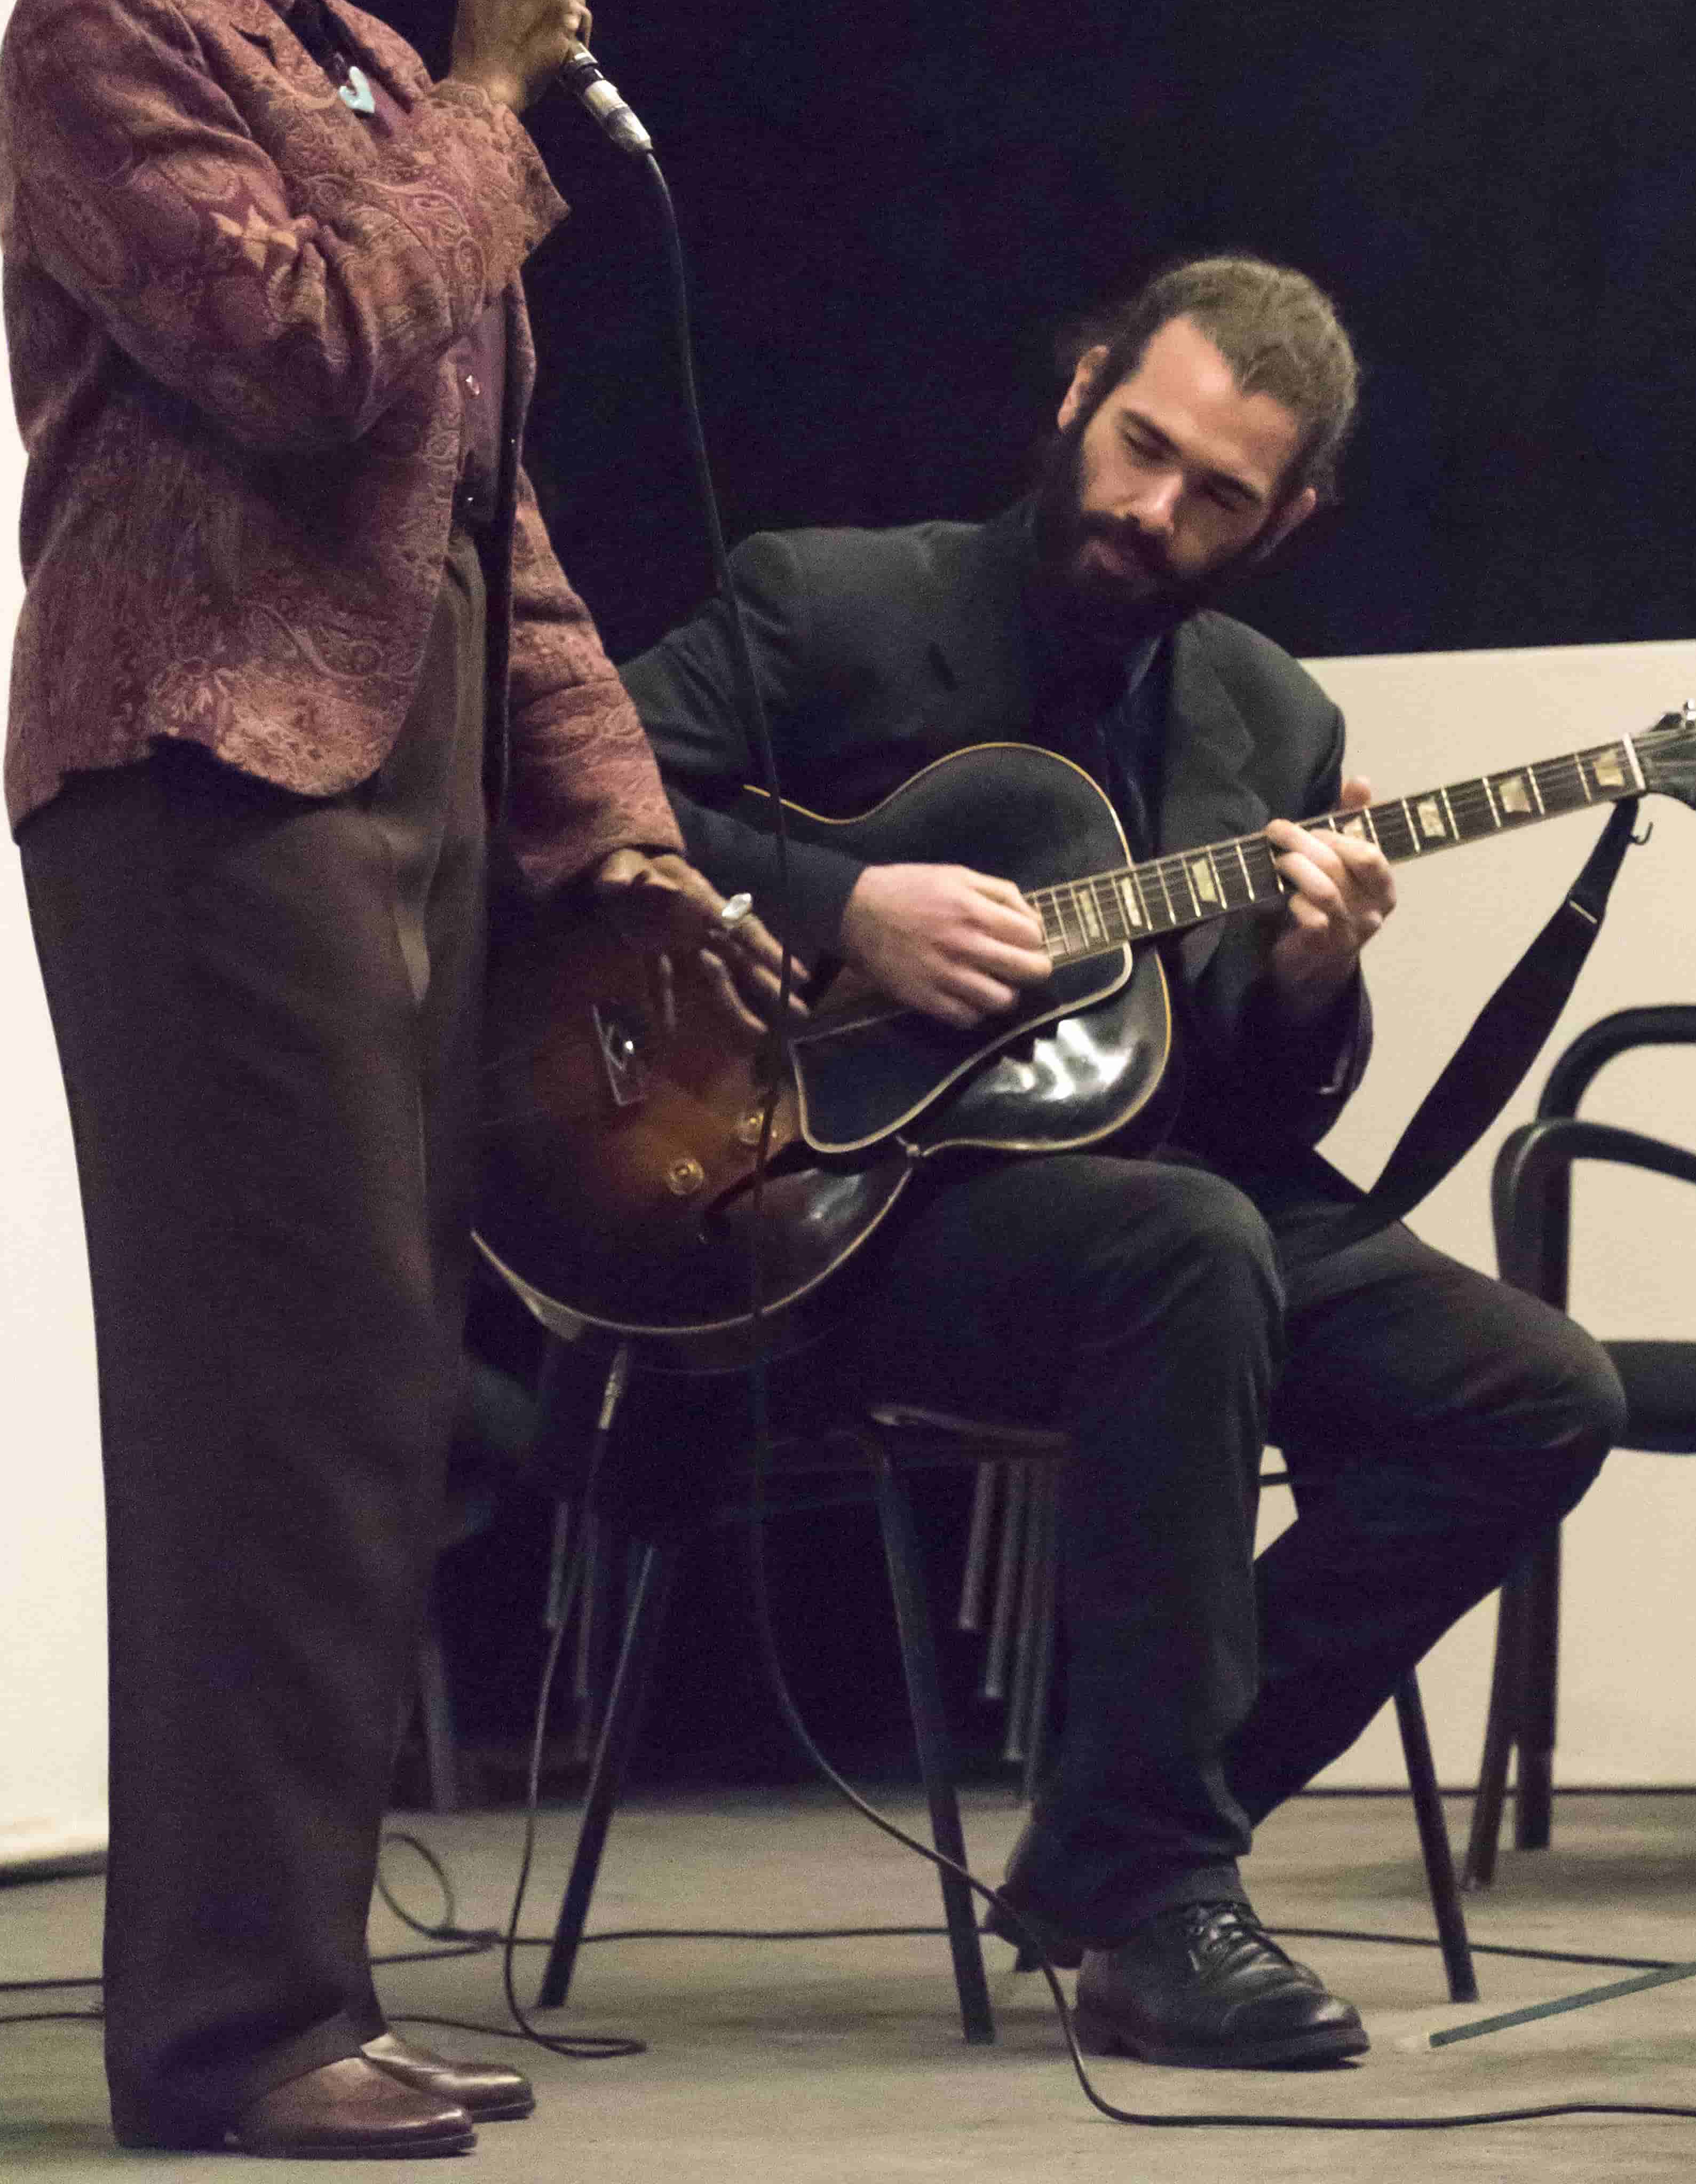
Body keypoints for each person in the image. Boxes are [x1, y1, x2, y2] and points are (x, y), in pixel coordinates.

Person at [0, 0, 772, 2159]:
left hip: (406, 777)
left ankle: (293, 1990)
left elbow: (484, 512)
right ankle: (228, 2034)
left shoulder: (350, 63)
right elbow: (302, 354)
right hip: (208, 780)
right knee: (274, 1414)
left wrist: (624, 839)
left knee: (376, 1406)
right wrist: (483, 99)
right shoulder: (106, 27)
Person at [623, 254, 1626, 2069]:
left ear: (1291, 516)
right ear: (1080, 388)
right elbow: (567, 791)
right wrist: (843, 897)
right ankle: (1164, 1908)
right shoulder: (834, 603)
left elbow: (1246, 1104)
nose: (1154, 510)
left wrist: (1315, 983)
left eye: (1219, 495)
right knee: (1186, 1247)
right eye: (1142, 445)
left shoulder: (1270, 718)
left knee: (1534, 1389)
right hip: (836, 1210)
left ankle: (1110, 1840)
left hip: (1156, 1206)